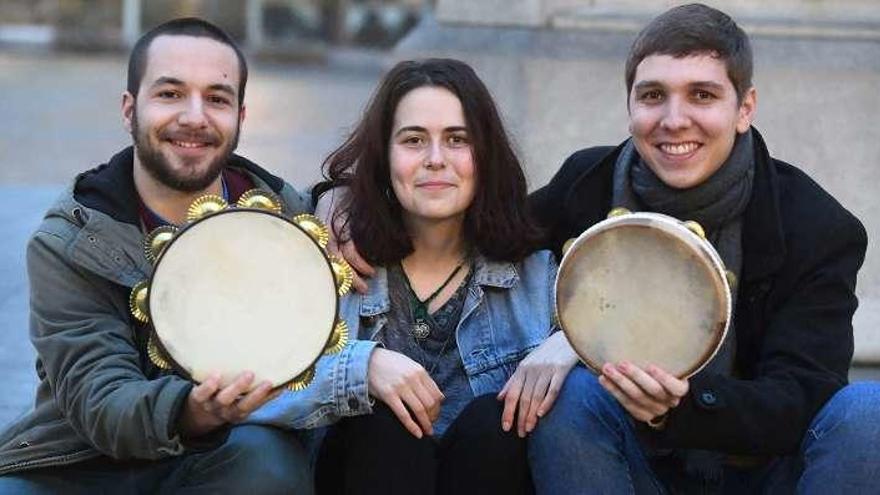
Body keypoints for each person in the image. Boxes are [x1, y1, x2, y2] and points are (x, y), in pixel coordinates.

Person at [525, 4, 879, 493]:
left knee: (868, 413)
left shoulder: (816, 225)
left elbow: (803, 395)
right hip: (633, 465)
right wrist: (576, 335)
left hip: (764, 473)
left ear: (744, 108)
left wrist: (683, 406)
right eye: (653, 96)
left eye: (702, 95)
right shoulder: (588, 182)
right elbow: (483, 237)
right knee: (571, 395)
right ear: (629, 106)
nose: (675, 120)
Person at [0, 18, 315, 493]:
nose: (194, 116)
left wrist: (339, 201)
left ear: (241, 118)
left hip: (223, 456)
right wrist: (191, 409)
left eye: (216, 98)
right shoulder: (69, 241)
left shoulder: (285, 216)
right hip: (80, 461)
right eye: (170, 94)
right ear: (129, 109)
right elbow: (101, 402)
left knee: (268, 465)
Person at [263, 58, 576, 495]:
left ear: (484, 156)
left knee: (497, 423)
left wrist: (576, 342)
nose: (435, 160)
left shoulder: (537, 279)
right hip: (362, 474)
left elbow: (626, 348)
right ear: (384, 157)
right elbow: (257, 390)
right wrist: (361, 367)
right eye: (413, 140)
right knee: (382, 422)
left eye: (457, 140)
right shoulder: (328, 264)